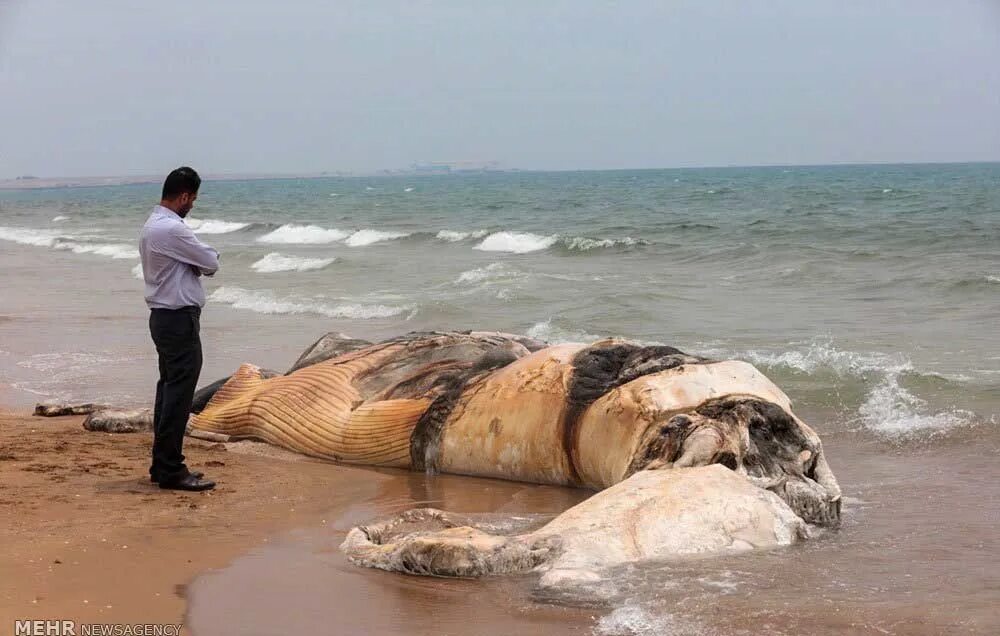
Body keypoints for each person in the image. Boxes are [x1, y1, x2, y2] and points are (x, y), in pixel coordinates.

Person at [139, 167, 219, 491]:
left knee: (169, 390)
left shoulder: (152, 225)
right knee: (178, 394)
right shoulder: (172, 229)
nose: (192, 206)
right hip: (177, 318)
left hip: (163, 317)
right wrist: (200, 260)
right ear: (184, 195)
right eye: (193, 200)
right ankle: (171, 468)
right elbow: (211, 262)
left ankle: (163, 465)